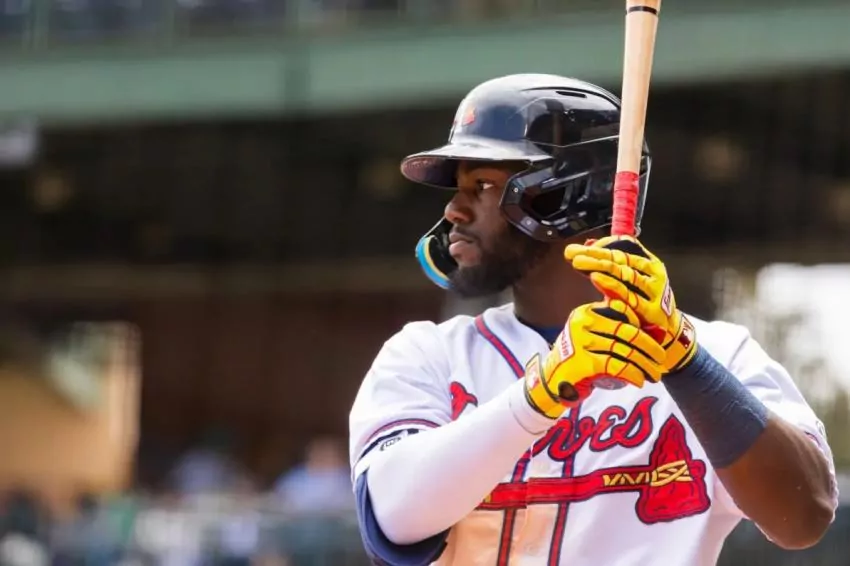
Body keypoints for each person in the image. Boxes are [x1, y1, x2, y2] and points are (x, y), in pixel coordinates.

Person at [347, 73, 839, 566]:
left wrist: (687, 363)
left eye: (483, 185)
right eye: (459, 188)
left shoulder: (720, 353)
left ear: (562, 195)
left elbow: (804, 516)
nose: (454, 209)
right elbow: (392, 517)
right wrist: (539, 393)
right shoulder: (428, 354)